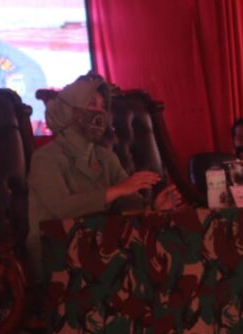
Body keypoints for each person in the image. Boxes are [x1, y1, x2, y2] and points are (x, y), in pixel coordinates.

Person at [25, 75, 182, 276]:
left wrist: (153, 208)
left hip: (103, 249)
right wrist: (115, 191)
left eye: (102, 106)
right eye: (91, 104)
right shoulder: (45, 158)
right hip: (56, 254)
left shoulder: (106, 157)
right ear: (69, 110)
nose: (99, 112)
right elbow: (60, 208)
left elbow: (127, 202)